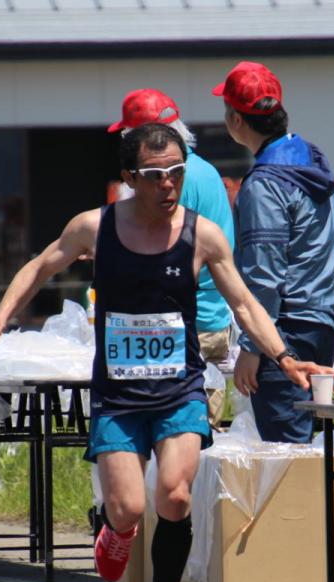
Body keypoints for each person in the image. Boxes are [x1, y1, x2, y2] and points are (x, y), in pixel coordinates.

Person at [0, 123, 334, 582]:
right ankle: (118, 529)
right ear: (130, 177)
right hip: (118, 394)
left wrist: (285, 357)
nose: (168, 185)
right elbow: (41, 265)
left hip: (179, 388)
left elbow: (245, 302)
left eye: (177, 172)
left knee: (174, 496)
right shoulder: (96, 228)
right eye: (155, 175)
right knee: (130, 505)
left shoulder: (202, 235)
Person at [214, 61, 334, 443]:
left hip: (283, 332)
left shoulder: (264, 185)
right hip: (322, 321)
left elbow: (264, 273)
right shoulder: (312, 161)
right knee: (314, 451)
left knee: (287, 458)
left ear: (236, 120)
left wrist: (254, 346)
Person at [109, 88, 236, 427]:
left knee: (187, 431)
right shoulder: (202, 169)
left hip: (190, 320)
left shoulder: (170, 179)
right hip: (210, 316)